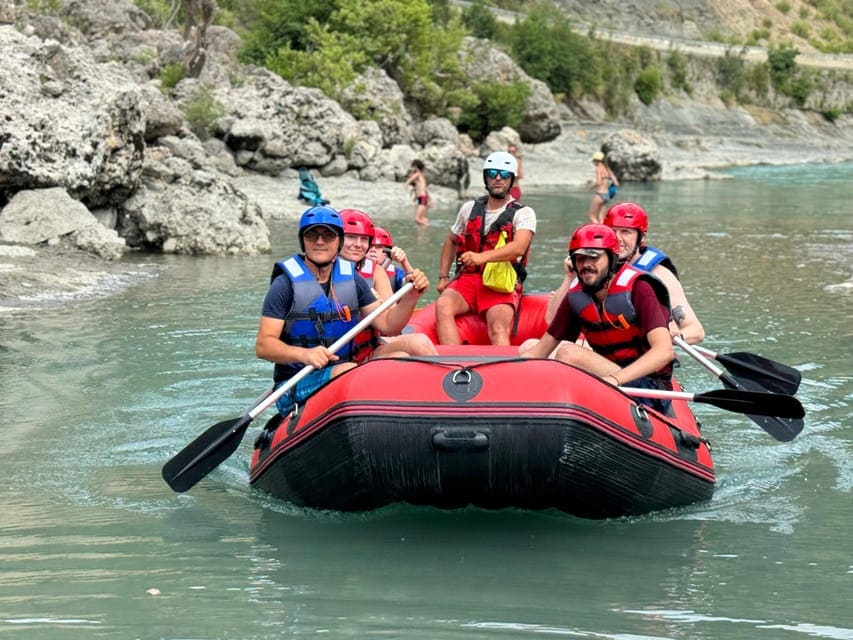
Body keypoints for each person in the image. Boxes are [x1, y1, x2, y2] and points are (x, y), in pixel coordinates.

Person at [255, 206, 433, 416]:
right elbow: (263, 346)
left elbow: (388, 325)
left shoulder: (351, 278)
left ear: (337, 241)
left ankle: (430, 409)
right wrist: (305, 354)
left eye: (328, 235)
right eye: (312, 234)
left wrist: (411, 298)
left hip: (344, 368)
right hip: (297, 382)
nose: (320, 241)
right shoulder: (284, 285)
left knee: (396, 359)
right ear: (303, 240)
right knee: (349, 371)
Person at [521, 223, 676, 414]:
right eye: (580, 258)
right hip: (608, 374)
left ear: (611, 259)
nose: (586, 264)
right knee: (527, 346)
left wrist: (615, 380)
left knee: (569, 353)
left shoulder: (640, 288)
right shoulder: (577, 296)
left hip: (647, 386)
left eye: (594, 258)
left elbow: (664, 352)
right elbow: (539, 351)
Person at [435, 151, 536, 345]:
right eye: (492, 173)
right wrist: (443, 276)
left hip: (500, 281)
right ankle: (453, 366)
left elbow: (518, 248)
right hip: (468, 279)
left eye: (504, 175)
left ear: (512, 179)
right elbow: (451, 240)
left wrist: (482, 257)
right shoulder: (469, 209)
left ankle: (503, 373)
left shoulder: (524, 213)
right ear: (485, 177)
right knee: (443, 306)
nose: (498, 178)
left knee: (498, 328)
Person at [338, 208, 437, 361]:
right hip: (337, 358)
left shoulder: (376, 271)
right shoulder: (323, 270)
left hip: (366, 350)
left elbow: (391, 326)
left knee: (419, 343)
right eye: (351, 237)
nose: (358, 244)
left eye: (364, 239)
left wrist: (411, 297)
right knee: (400, 358)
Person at [603, 202, 705, 345]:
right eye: (613, 231)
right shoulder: (592, 268)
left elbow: (695, 331)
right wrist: (569, 277)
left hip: (640, 354)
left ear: (641, 238)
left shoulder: (659, 275)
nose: (617, 238)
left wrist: (668, 338)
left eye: (626, 232)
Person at [367, 225, 410, 293]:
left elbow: (415, 286)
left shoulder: (396, 274)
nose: (373, 250)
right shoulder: (355, 270)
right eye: (369, 246)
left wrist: (404, 261)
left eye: (378, 247)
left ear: (387, 253)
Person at [587, 151, 619, 223]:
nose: (593, 163)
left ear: (596, 160)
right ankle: (603, 232)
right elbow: (616, 183)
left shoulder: (598, 168)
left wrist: (590, 186)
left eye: (593, 161)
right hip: (607, 196)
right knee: (601, 219)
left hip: (600, 194)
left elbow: (598, 182)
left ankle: (598, 232)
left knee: (592, 217)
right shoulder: (607, 168)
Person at [404, 159, 430, 225]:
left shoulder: (418, 174)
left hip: (422, 198)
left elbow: (411, 179)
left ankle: (427, 227)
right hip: (423, 198)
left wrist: (406, 184)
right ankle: (422, 233)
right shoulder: (421, 177)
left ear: (415, 166)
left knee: (417, 219)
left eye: (413, 167)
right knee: (422, 219)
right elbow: (423, 188)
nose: (412, 169)